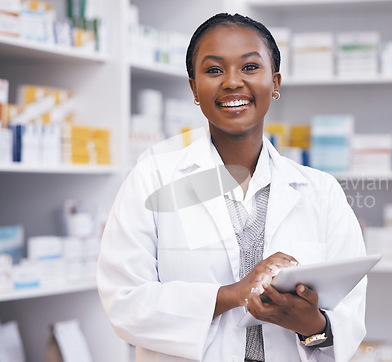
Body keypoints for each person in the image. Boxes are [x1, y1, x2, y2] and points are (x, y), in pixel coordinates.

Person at [97, 13, 367, 362]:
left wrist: (311, 324)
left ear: (275, 82)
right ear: (194, 88)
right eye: (213, 70)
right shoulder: (153, 178)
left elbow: (348, 318)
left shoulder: (321, 191)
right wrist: (232, 294)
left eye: (250, 67)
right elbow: (125, 302)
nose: (232, 82)